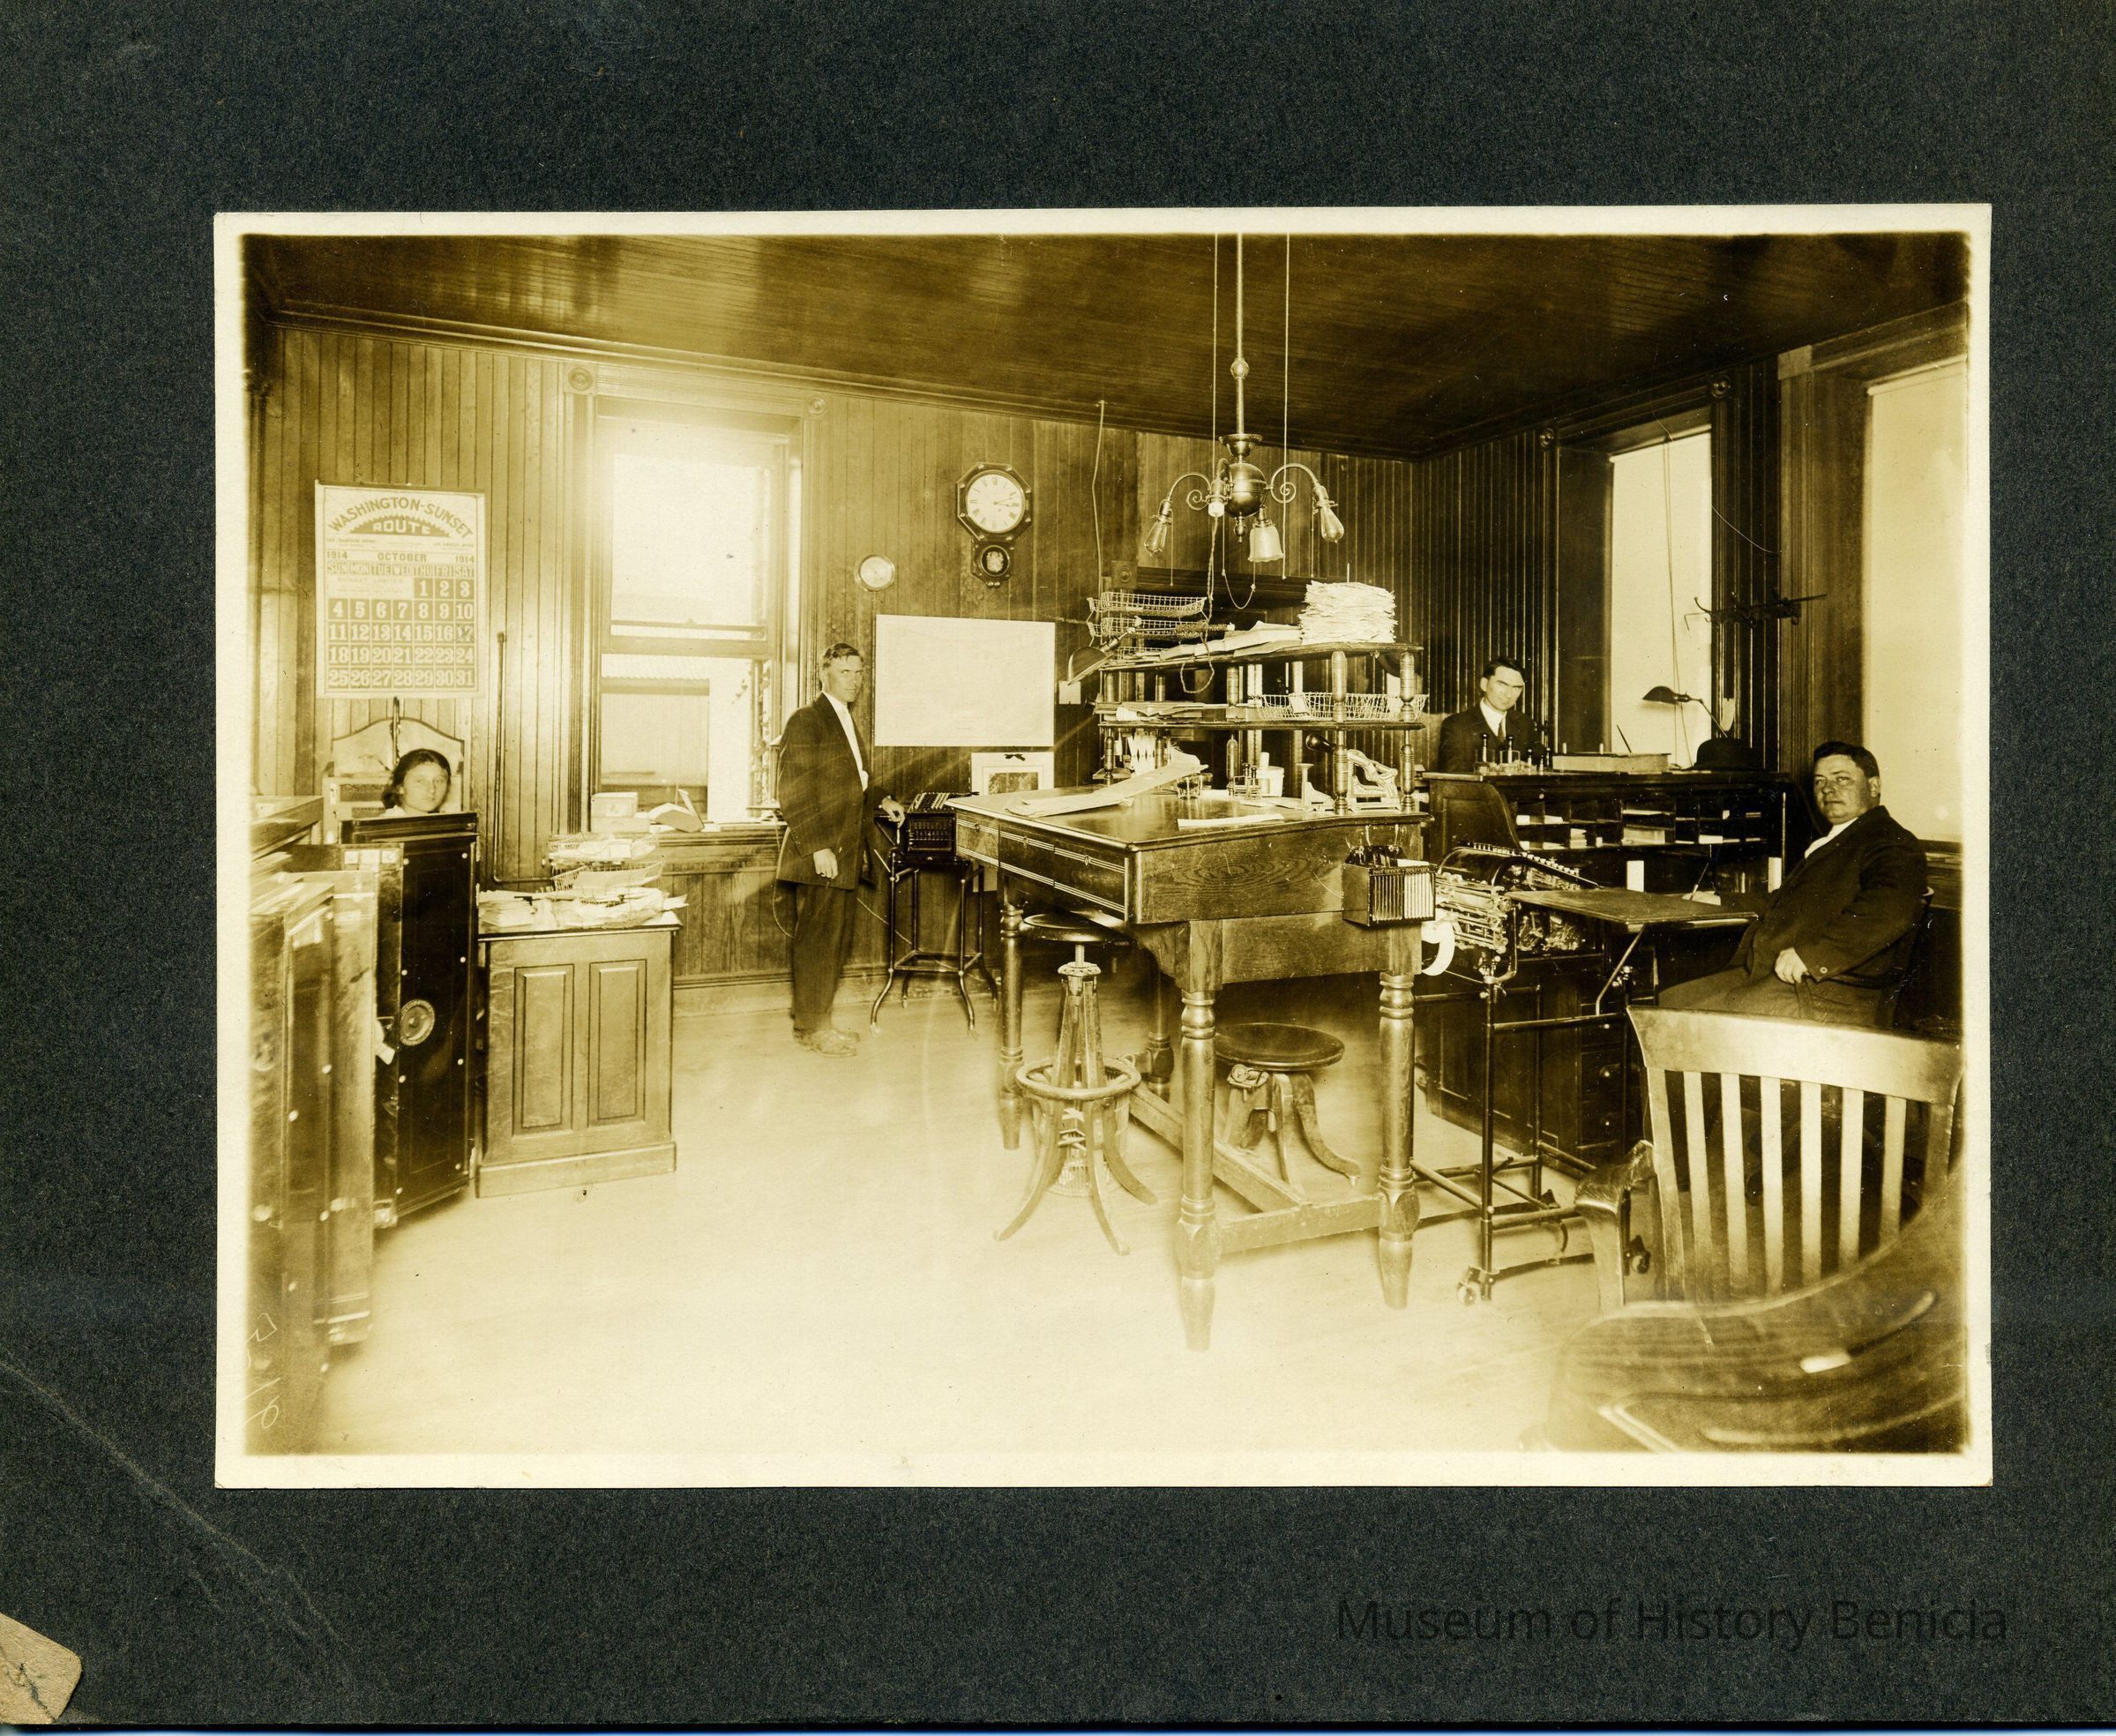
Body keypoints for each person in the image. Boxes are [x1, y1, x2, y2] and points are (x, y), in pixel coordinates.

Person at [1659, 741, 1927, 1027]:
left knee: (1680, 1022)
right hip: (1775, 973)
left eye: (1842, 779)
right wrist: (1723, 900)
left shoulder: (1891, 842)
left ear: (1873, 786)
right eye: (1820, 781)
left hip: (1824, 990)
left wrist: (1813, 956)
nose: (1828, 789)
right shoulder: (1841, 838)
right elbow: (1789, 901)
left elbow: (1888, 910)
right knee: (1669, 1001)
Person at [775, 643, 904, 1057]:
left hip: (845, 850)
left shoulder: (844, 718)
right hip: (822, 853)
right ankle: (813, 1028)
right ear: (823, 674)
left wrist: (882, 798)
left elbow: (853, 781)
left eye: (859, 672)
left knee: (833, 941)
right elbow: (793, 792)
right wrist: (818, 848)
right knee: (819, 941)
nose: (855, 680)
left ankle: (817, 1021)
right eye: (845, 672)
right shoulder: (807, 720)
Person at [1435, 655, 1537, 773]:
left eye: (1516, 688)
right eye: (1502, 684)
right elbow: (1451, 777)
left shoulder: (1524, 723)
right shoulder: (1456, 725)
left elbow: (1541, 766)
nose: (1509, 694)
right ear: (1484, 684)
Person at [380, 747, 452, 814]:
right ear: (400, 787)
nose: (432, 790)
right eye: (420, 781)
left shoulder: (444, 821)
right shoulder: (388, 822)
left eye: (439, 781)